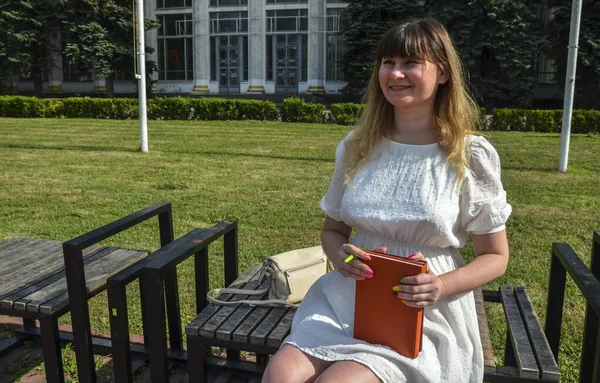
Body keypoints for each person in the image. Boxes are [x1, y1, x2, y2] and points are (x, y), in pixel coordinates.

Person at [262, 18, 511, 383]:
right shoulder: (358, 147)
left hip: (424, 310)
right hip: (350, 299)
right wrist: (341, 256)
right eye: (387, 62)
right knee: (279, 377)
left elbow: (496, 257)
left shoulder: (469, 154)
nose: (395, 74)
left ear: (442, 73)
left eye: (410, 62)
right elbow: (332, 230)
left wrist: (440, 286)